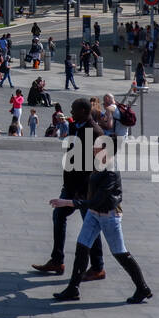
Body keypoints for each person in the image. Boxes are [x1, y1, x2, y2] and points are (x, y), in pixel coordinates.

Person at [49, 151, 153, 304]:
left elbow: (97, 200)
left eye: (97, 149)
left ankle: (142, 288)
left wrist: (68, 202)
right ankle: (73, 288)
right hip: (93, 213)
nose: (94, 151)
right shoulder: (98, 165)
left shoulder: (110, 173)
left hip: (108, 216)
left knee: (120, 252)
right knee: (82, 247)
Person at [33, 99, 106, 280]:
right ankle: (57, 260)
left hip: (85, 189)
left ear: (83, 110)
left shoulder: (95, 132)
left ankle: (98, 267)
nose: (70, 112)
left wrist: (88, 189)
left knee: (90, 226)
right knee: (59, 216)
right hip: (71, 185)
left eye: (73, 109)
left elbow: (101, 164)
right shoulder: (77, 127)